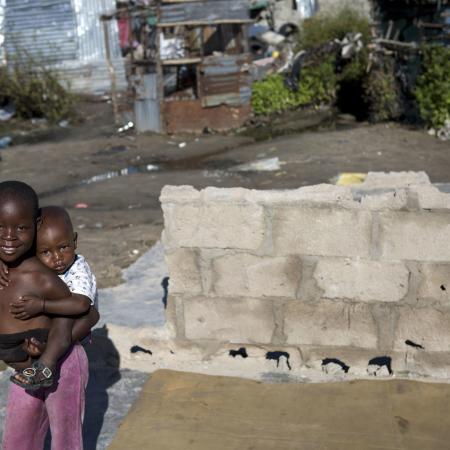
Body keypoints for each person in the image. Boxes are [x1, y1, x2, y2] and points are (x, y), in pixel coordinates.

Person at [0, 181, 97, 450]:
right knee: (19, 436)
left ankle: (47, 361)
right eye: (1, 228)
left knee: (65, 436)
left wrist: (48, 350)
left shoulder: (60, 274)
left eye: (21, 228)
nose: (9, 237)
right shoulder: (14, 258)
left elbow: (88, 313)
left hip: (64, 361)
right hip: (26, 368)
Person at [9, 205, 98, 389]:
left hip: (77, 323)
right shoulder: (37, 268)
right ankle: (42, 351)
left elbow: (80, 305)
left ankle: (47, 362)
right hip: (50, 326)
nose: (57, 257)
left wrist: (41, 305)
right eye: (46, 252)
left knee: (75, 316)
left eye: (63, 247)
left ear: (74, 241)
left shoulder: (78, 268)